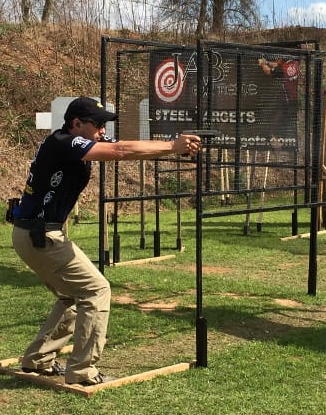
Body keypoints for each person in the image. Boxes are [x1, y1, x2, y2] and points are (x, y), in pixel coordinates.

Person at [11, 96, 201, 386]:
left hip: (35, 234)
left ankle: (38, 359)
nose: (102, 130)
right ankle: (82, 371)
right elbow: (121, 151)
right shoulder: (63, 142)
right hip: (41, 236)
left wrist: (173, 147)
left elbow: (126, 147)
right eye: (97, 124)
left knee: (72, 296)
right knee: (97, 291)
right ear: (77, 124)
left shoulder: (76, 139)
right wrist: (173, 146)